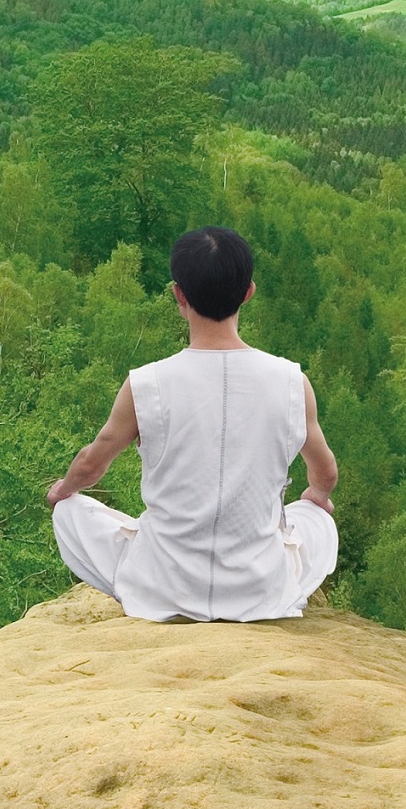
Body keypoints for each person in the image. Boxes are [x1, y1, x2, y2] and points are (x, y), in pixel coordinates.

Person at [46, 226, 338, 622]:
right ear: (249, 292)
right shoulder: (291, 382)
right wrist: (317, 497)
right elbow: (326, 473)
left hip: (165, 585)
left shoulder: (146, 383)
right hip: (259, 590)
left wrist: (62, 490)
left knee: (69, 511)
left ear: (178, 295)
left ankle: (142, 588)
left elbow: (90, 466)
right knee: (317, 519)